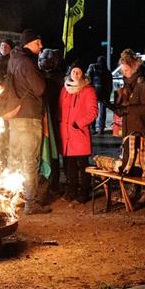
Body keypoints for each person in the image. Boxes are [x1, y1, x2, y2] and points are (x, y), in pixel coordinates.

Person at [5, 28, 50, 215]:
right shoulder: (27, 63)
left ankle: (11, 200)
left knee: (14, 159)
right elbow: (39, 89)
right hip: (29, 116)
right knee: (30, 161)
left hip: (15, 117)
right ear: (28, 43)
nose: (41, 46)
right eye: (37, 43)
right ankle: (30, 203)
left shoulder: (13, 59)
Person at [110, 49, 145, 204]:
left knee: (143, 163)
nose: (125, 72)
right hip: (129, 130)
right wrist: (117, 104)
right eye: (123, 70)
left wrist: (127, 109)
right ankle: (133, 189)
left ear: (134, 67)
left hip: (142, 130)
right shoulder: (127, 84)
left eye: (127, 69)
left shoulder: (144, 83)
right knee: (130, 161)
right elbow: (122, 106)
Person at [58, 64, 98, 204]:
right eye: (74, 71)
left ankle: (84, 192)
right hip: (66, 135)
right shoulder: (65, 89)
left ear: (82, 74)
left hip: (79, 134)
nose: (75, 74)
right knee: (69, 166)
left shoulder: (88, 90)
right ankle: (71, 190)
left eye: (78, 72)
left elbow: (93, 112)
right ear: (70, 72)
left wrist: (78, 123)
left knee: (82, 165)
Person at [38, 48, 66, 198]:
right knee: (47, 151)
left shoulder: (59, 79)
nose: (44, 63)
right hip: (46, 118)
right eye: (42, 60)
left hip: (55, 119)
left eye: (46, 61)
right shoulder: (41, 77)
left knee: (54, 152)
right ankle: (48, 181)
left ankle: (54, 182)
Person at [86, 55, 112, 134]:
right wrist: (108, 94)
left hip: (94, 92)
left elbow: (88, 79)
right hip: (104, 93)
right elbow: (109, 84)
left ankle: (92, 128)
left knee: (93, 110)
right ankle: (101, 129)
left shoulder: (92, 67)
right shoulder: (107, 71)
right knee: (102, 111)